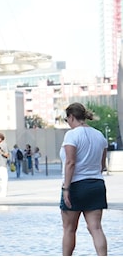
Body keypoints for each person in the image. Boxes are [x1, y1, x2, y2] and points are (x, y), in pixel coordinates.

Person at [60, 102, 108, 256]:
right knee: (96, 228)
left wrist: (66, 188)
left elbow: (70, 162)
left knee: (69, 228)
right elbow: (102, 166)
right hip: (96, 184)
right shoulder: (99, 135)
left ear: (71, 116)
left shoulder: (72, 135)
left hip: (76, 185)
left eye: (66, 119)